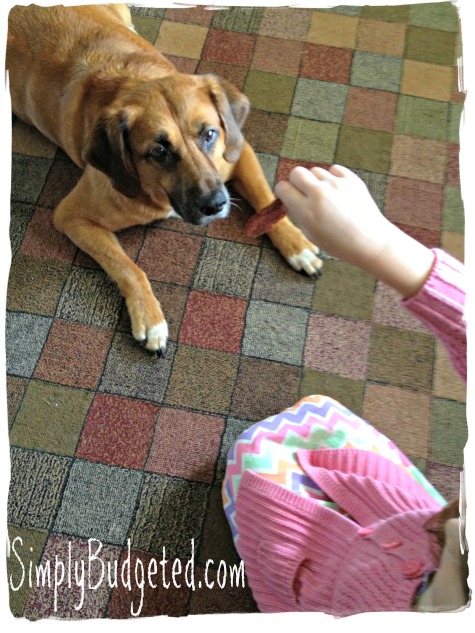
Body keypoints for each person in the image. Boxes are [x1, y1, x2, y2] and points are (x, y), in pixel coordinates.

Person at [222, 165, 468, 615]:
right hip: (416, 526)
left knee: (254, 473)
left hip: (353, 598)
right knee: (311, 432)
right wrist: (380, 244)